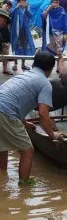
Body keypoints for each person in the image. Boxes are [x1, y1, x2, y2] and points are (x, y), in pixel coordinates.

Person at [0, 50, 63, 182]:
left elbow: (14, 100)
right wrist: (52, 135)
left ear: (34, 64)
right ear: (50, 69)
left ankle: (2, 178)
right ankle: (24, 188)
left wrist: (25, 122)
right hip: (6, 112)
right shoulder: (45, 83)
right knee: (27, 151)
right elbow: (43, 114)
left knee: (2, 145)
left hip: (3, 107)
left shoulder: (24, 75)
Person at [42, 0, 67, 72]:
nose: (56, 1)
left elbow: (65, 22)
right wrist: (49, 8)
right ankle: (48, 67)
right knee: (48, 51)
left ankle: (58, 66)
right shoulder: (47, 8)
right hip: (49, 33)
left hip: (59, 33)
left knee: (59, 51)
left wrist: (65, 34)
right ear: (51, 0)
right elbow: (43, 16)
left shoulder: (62, 10)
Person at [10, 0, 35, 71]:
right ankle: (15, 64)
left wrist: (27, 8)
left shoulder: (27, 4)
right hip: (16, 28)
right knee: (15, 44)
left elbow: (30, 15)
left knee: (25, 45)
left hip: (25, 29)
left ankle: (23, 64)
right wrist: (17, 7)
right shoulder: (14, 3)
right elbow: (10, 14)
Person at [0, 9, 12, 75]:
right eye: (3, 19)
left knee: (5, 53)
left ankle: (5, 68)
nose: (5, 22)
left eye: (6, 20)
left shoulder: (4, 27)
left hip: (5, 38)